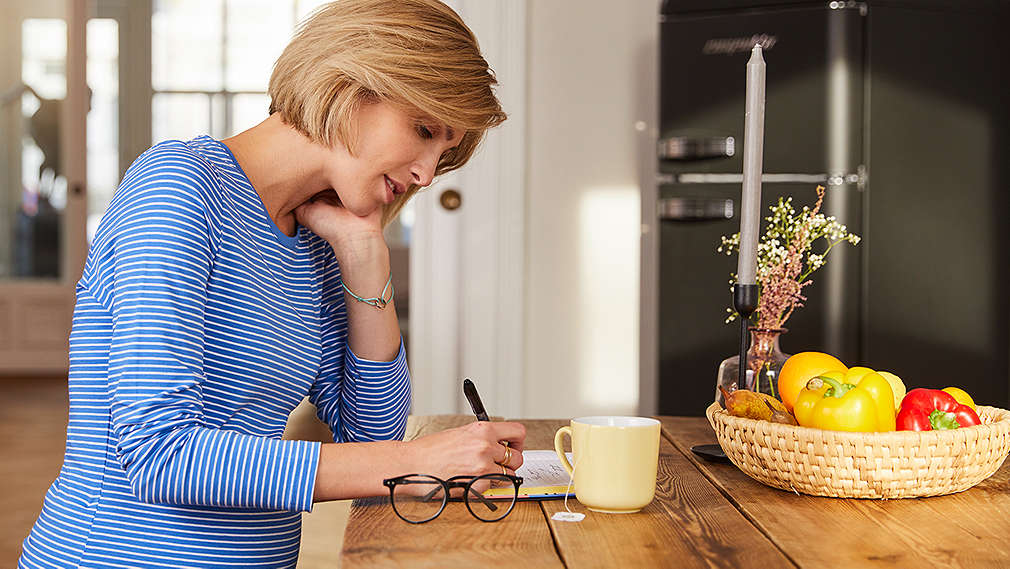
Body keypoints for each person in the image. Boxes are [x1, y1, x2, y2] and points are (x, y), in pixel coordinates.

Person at [18, 1, 525, 567]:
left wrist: (363, 259)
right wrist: (417, 461)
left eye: (443, 153)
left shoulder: (319, 231)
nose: (426, 174)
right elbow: (158, 453)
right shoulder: (178, 190)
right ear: (349, 84)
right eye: (424, 130)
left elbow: (372, 440)